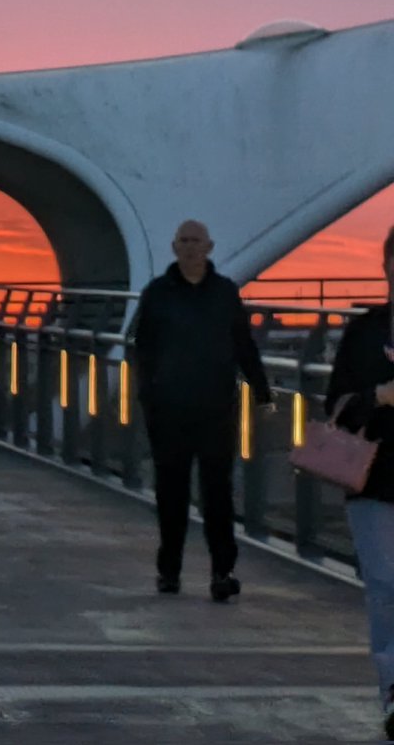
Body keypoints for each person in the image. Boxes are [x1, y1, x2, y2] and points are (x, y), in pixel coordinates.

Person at [134, 220, 273, 601]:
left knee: (218, 495)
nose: (192, 248)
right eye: (185, 241)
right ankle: (169, 570)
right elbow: (142, 349)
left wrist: (262, 393)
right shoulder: (158, 293)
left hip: (216, 410)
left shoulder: (225, 293)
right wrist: (149, 398)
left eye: (197, 242)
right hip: (170, 412)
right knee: (172, 495)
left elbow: (244, 345)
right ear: (174, 246)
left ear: (209, 247)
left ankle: (222, 572)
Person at [324, 224, 394, 740]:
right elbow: (338, 407)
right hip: (374, 481)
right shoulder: (365, 332)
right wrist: (382, 396)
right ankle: (393, 692)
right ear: (387, 267)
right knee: (386, 589)